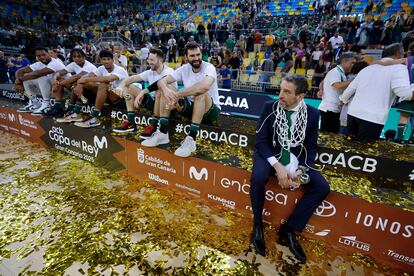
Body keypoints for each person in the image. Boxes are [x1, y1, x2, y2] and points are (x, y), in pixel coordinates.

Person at [250, 75, 330, 262]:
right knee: (258, 177)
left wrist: (301, 170)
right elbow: (260, 142)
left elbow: (311, 147)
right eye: (280, 90)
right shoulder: (268, 107)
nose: (281, 95)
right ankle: (258, 225)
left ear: (300, 96)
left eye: (287, 92)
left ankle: (289, 230)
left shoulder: (312, 114)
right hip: (269, 155)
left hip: (296, 160)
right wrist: (278, 167)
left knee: (321, 188)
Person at [142, 42, 221, 158]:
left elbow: (204, 86)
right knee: (165, 88)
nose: (196, 58)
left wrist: (178, 94)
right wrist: (167, 91)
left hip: (210, 111)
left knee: (201, 93)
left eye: (198, 55)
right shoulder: (184, 69)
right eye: (192, 56)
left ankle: (191, 139)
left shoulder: (209, 67)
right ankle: (163, 133)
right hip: (192, 109)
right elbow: (161, 82)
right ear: (186, 57)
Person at [340, 43, 414, 139]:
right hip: (372, 118)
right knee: (365, 151)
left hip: (352, 114)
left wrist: (342, 100)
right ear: (398, 53)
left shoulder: (368, 68)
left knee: (348, 148)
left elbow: (350, 89)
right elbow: (404, 93)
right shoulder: (399, 68)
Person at [112, 48, 175, 136]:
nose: (149, 62)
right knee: (129, 86)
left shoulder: (169, 71)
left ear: (160, 61)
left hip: (168, 105)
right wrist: (120, 87)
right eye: (148, 59)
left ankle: (155, 124)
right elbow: (130, 79)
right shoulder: (150, 72)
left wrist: (142, 93)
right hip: (153, 103)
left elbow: (158, 84)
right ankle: (131, 122)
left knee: (159, 90)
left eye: (152, 60)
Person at [57, 50, 128, 128]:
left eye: (108, 59)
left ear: (113, 60)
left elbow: (107, 79)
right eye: (104, 59)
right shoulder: (101, 68)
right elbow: (87, 76)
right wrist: (80, 84)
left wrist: (85, 80)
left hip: (122, 99)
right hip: (108, 97)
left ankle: (94, 117)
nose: (106, 61)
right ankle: (75, 113)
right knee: (84, 84)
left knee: (103, 85)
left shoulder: (120, 70)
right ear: (100, 60)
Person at [43, 48, 97, 118]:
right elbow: (60, 72)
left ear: (84, 57)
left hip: (92, 91)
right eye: (74, 57)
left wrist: (58, 85)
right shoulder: (73, 64)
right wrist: (54, 78)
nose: (77, 58)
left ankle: (70, 109)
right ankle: (57, 107)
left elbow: (76, 76)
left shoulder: (89, 66)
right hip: (80, 87)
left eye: (79, 56)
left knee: (77, 84)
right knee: (59, 79)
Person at [14, 47, 66, 115]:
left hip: (64, 89)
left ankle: (46, 103)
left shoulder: (56, 62)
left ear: (48, 54)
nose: (42, 57)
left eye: (44, 55)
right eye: (39, 56)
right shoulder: (39, 64)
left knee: (42, 77)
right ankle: (34, 102)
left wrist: (18, 81)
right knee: (26, 80)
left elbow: (38, 74)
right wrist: (19, 82)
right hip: (53, 87)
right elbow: (20, 71)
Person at [318, 52, 356, 133]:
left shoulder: (340, 73)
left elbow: (322, 82)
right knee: (327, 136)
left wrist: (321, 89)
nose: (353, 65)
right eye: (352, 63)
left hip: (333, 110)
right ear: (345, 61)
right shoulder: (335, 72)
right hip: (329, 110)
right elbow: (337, 85)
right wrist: (355, 81)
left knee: (331, 135)